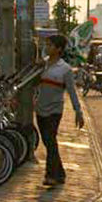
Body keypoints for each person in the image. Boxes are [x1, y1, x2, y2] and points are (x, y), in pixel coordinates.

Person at [36, 35, 84, 186]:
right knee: (47, 141)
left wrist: (78, 111)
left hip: (54, 110)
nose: (47, 47)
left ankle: (51, 175)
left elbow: (72, 91)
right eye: (46, 44)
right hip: (40, 108)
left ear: (59, 49)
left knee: (50, 141)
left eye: (50, 45)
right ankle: (60, 173)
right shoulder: (42, 65)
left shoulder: (65, 69)